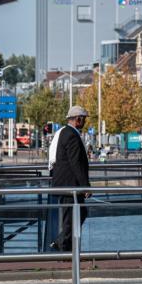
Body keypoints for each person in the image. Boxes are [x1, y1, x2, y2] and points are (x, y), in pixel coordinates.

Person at [51, 105, 91, 251]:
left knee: (76, 215)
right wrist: (85, 185)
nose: (85, 122)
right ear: (78, 119)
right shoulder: (71, 135)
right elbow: (76, 162)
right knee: (71, 218)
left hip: (68, 183)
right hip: (70, 184)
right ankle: (63, 247)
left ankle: (62, 244)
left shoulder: (65, 132)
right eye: (84, 119)